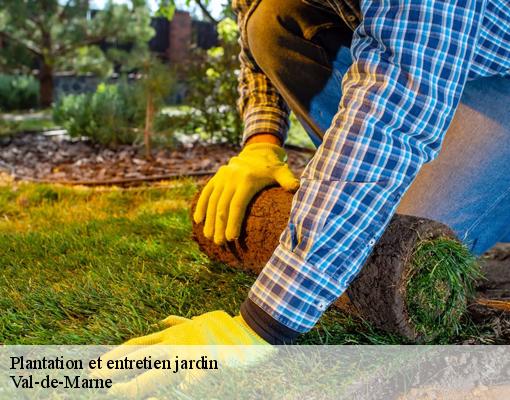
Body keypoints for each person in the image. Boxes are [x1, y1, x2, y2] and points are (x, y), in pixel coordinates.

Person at [123, 0, 510, 346]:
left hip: (494, 82)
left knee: (402, 252)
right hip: (436, 66)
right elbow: (248, 26)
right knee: (271, 17)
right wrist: (261, 142)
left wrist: (263, 323)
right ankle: (366, 188)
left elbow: (397, 97)